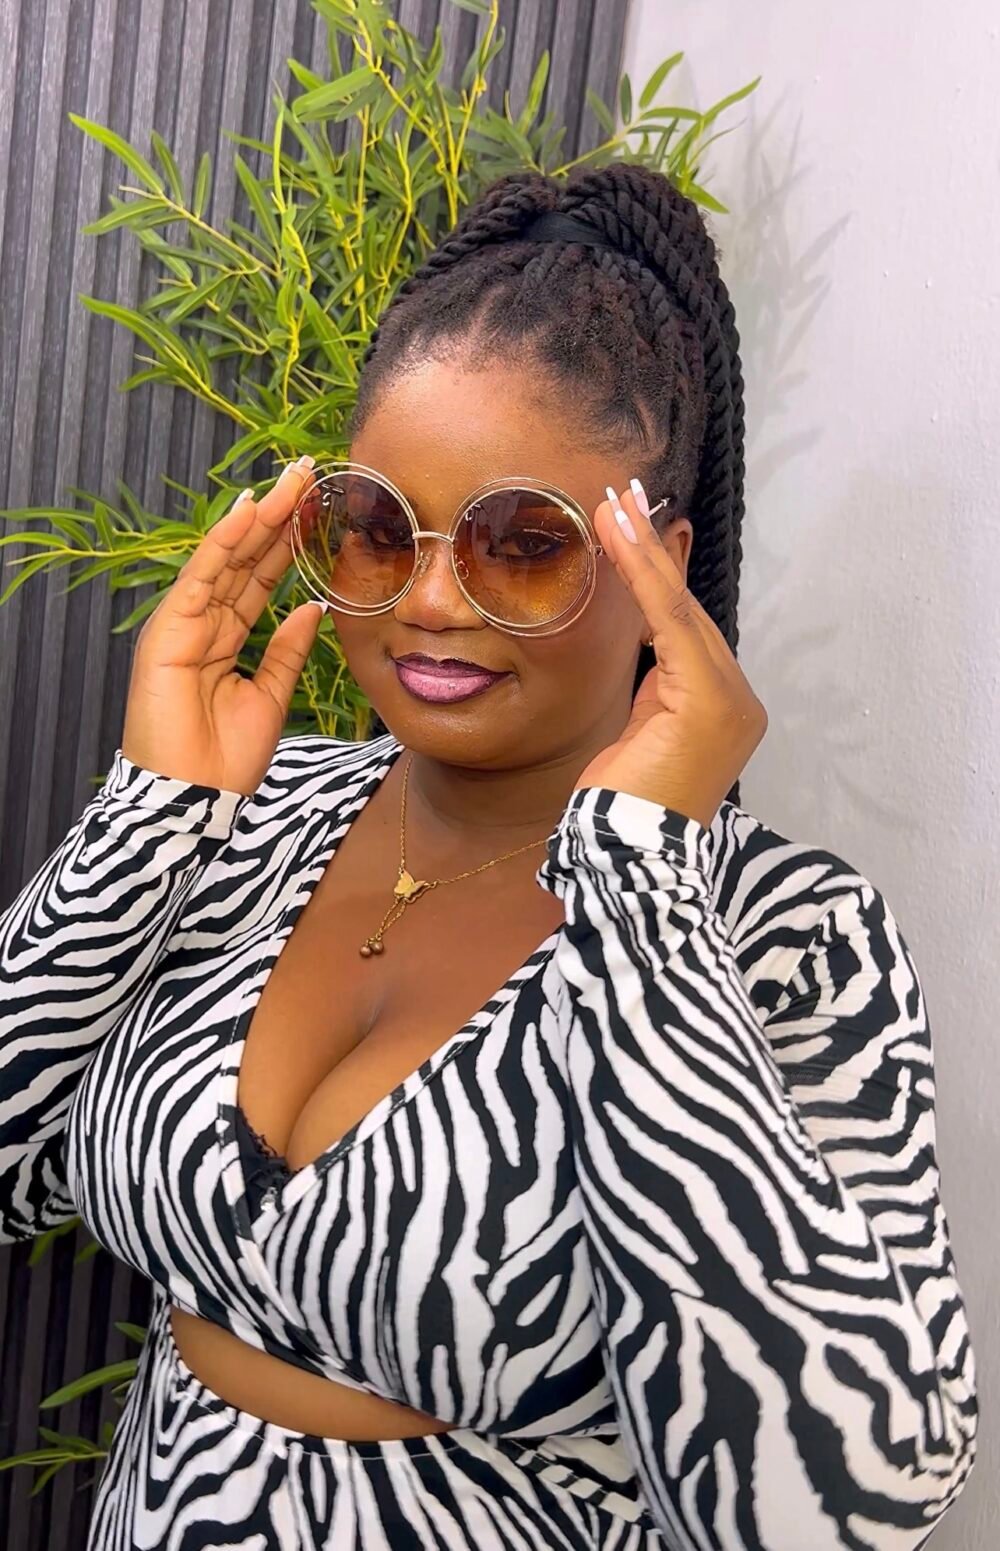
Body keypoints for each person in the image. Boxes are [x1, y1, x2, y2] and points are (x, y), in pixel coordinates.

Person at [0, 164, 977, 1550]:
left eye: (523, 546)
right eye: (376, 530)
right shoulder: (256, 819)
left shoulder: (786, 936)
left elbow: (839, 1507)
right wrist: (151, 812)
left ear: (661, 563)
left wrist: (639, 878)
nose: (429, 601)